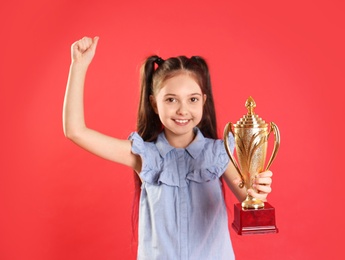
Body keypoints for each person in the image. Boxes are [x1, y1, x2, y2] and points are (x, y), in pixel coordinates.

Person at [63, 36, 273, 260]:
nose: (183, 110)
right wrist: (79, 66)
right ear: (154, 103)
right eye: (171, 100)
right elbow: (75, 131)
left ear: (203, 100)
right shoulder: (145, 156)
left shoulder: (218, 154)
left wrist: (258, 188)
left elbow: (250, 200)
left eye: (192, 99)